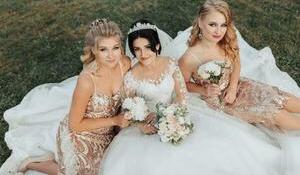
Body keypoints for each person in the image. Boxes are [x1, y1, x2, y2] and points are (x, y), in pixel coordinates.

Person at [100, 19, 281, 175]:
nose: (143, 54)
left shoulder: (170, 64)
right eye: (137, 49)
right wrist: (140, 125)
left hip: (177, 112)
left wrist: (173, 116)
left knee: (212, 149)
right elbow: (128, 107)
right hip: (148, 123)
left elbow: (181, 93)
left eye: (147, 47)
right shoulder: (132, 76)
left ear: (156, 45)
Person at [16, 18, 131, 175]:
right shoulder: (87, 80)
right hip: (81, 136)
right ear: (93, 50)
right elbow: (75, 125)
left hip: (109, 133)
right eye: (104, 49)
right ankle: (34, 163)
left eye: (115, 48)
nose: (111, 56)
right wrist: (114, 120)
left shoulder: (124, 64)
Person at [179, 0, 300, 131]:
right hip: (222, 100)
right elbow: (182, 83)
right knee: (274, 113)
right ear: (200, 22)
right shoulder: (189, 58)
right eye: (212, 24)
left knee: (277, 96)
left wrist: (232, 87)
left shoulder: (226, 41)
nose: (218, 31)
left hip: (238, 85)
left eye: (223, 25)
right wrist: (204, 90)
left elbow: (236, 62)